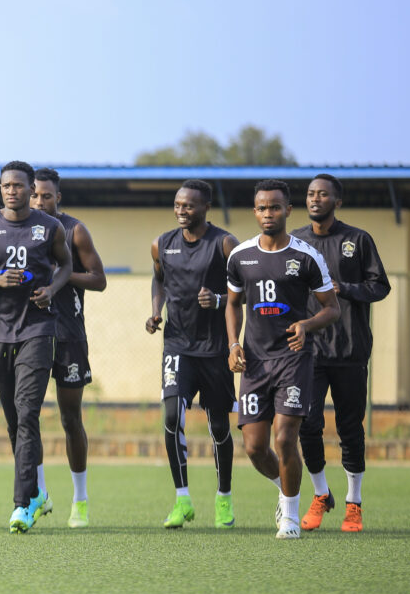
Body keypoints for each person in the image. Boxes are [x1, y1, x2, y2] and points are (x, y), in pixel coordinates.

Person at [0, 160, 73, 533]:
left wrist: (51, 290)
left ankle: (22, 505)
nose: (13, 191)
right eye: (6, 185)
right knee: (14, 421)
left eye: (19, 186)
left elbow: (66, 266)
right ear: (1, 189)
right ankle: (38, 492)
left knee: (28, 414)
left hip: (38, 330)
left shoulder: (49, 227)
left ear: (30, 189)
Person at [226, 180, 339, 539]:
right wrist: (233, 344)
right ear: (254, 211)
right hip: (255, 362)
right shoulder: (239, 256)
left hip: (293, 359)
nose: (268, 214)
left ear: (289, 210)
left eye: (275, 207)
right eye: (261, 208)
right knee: (255, 447)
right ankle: (285, 488)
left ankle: (290, 517)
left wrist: (306, 325)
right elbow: (232, 304)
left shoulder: (306, 256)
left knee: (285, 437)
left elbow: (332, 309)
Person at [291, 174, 390, 533]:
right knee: (308, 423)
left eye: (323, 194)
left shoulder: (357, 240)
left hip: (350, 349)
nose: (315, 199)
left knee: (350, 429)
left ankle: (354, 503)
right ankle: (320, 494)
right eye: (310, 194)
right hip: (308, 351)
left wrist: (343, 287)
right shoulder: (295, 242)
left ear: (338, 201)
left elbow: (380, 285)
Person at [145, 180, 239, 529]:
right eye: (177, 204)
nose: (181, 210)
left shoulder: (224, 243)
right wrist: (157, 311)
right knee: (172, 417)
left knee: (218, 427)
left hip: (214, 350)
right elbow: (158, 281)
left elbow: (244, 288)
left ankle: (224, 497)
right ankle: (182, 499)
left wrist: (217, 300)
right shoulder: (162, 244)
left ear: (205, 208)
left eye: (189, 205)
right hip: (177, 346)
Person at [31, 168, 106, 528]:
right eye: (35, 195)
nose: (40, 201)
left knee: (68, 418)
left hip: (68, 334)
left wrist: (59, 273)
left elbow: (99, 279)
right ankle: (39, 494)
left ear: (58, 197)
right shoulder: (17, 230)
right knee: (27, 418)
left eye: (46, 195)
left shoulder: (74, 230)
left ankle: (80, 499)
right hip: (29, 334)